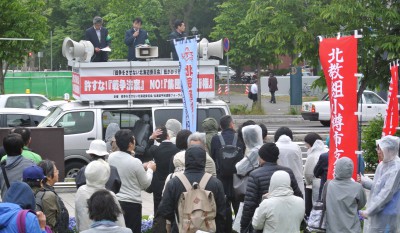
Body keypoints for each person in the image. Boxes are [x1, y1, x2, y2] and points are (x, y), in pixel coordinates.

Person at [156, 147, 226, 233]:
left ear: (186, 160)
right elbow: (222, 213)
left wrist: (178, 219)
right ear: (204, 160)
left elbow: (164, 210)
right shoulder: (216, 183)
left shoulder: (174, 183)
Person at [241, 143, 303, 232]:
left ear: (261, 158)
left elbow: (249, 204)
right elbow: (298, 195)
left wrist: (244, 226)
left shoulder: (255, 175)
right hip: (287, 218)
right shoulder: (288, 172)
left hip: (263, 219)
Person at [108, 129, 156, 233]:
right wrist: (150, 170)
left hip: (115, 201)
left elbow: (124, 166)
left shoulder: (111, 157)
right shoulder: (135, 162)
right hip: (132, 204)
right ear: (130, 144)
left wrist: (141, 166)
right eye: (134, 140)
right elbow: (145, 184)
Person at [210, 115, 244, 233]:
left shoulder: (215, 139)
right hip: (238, 179)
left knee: (224, 208)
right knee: (239, 208)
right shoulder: (239, 137)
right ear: (231, 124)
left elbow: (213, 157)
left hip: (221, 179)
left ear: (220, 126)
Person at [359, 135, 400, 232]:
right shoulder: (382, 164)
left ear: (388, 150)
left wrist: (370, 211)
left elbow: (386, 193)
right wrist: (365, 181)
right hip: (376, 210)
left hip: (388, 212)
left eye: (380, 149)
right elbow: (378, 186)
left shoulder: (396, 168)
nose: (378, 152)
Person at [75, 160, 125, 232]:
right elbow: (120, 222)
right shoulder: (109, 195)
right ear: (104, 176)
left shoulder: (81, 191)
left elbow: (78, 217)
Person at [325, 157, 366, 233]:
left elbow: (325, 203)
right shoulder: (357, 187)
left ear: (336, 168)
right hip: (352, 229)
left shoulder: (329, 184)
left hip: (332, 229)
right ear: (351, 170)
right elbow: (362, 204)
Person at [146, 126, 179, 214]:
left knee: (157, 210)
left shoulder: (155, 149)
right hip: (172, 182)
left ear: (156, 138)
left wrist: (151, 138)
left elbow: (146, 152)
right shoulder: (177, 149)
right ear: (168, 135)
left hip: (158, 185)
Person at [34, 160, 70, 233]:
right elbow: (51, 224)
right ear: (49, 177)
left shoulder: (40, 190)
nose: (58, 173)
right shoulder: (48, 195)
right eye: (56, 171)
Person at [0, 133, 35, 199]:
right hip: (26, 206)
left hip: (8, 207)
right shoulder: (31, 164)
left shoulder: (2, 167)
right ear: (21, 149)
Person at [274, 126, 305, 196]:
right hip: (296, 180)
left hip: (279, 181)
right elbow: (300, 163)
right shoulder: (296, 147)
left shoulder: (275, 146)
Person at [303, 132, 327, 216]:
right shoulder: (326, 151)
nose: (306, 146)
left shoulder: (312, 155)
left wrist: (308, 182)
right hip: (328, 182)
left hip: (316, 184)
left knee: (317, 206)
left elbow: (308, 173)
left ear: (310, 143)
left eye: (306, 144)